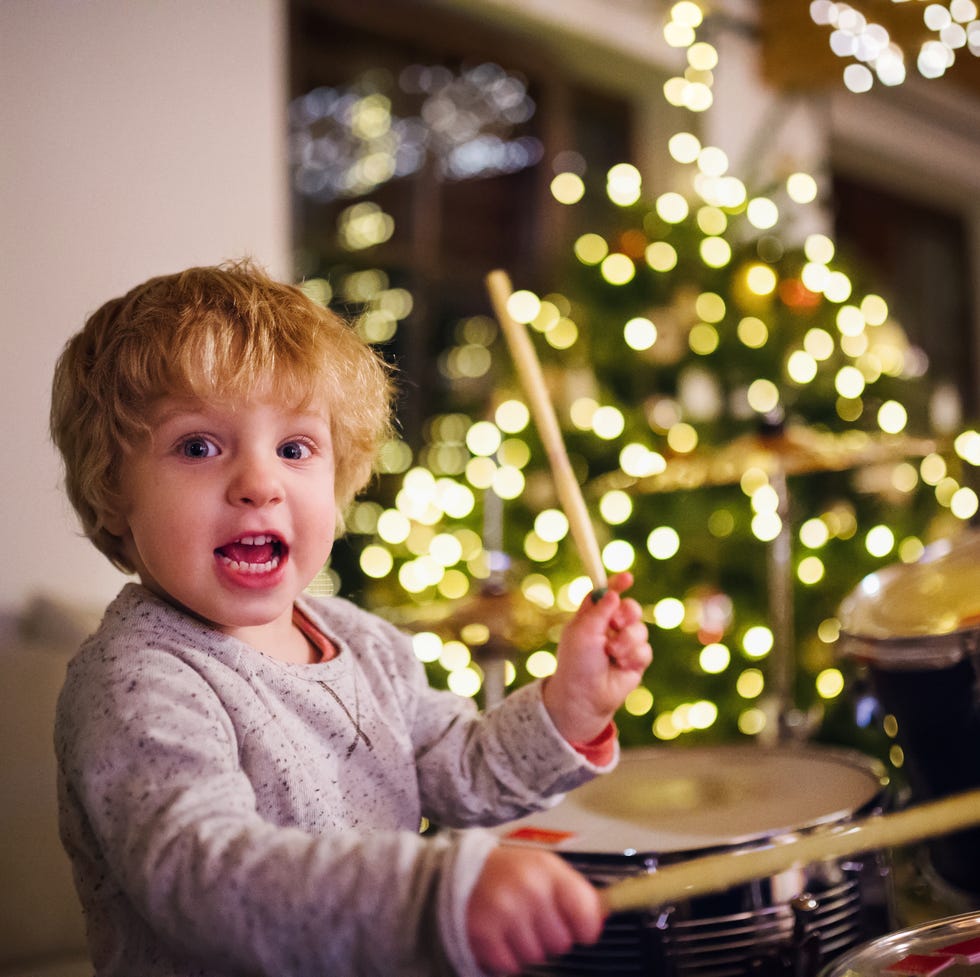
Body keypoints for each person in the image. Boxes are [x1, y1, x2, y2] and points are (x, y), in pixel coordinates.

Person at [49, 259, 652, 977]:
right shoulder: (135, 680)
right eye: (199, 446)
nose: (259, 484)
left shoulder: (363, 642)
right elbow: (202, 874)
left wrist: (570, 705)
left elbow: (463, 770)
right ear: (112, 489)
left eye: (295, 448)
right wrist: (435, 892)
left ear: (338, 484)